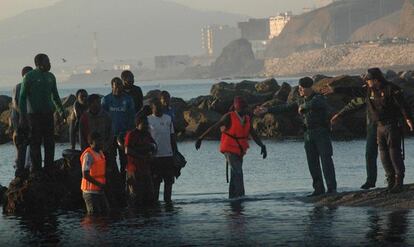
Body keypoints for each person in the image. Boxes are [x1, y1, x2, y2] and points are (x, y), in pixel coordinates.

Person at [325, 68, 413, 193]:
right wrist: (335, 90)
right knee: (383, 155)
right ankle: (390, 181)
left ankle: (399, 181)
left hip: (391, 125)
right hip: (378, 126)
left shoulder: (391, 88)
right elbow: (354, 92)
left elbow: (403, 105)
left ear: (376, 80)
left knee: (394, 153)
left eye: (368, 80)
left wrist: (408, 120)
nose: (367, 82)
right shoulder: (369, 90)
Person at [254, 77, 337, 197]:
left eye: (302, 88)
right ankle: (318, 189)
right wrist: (267, 110)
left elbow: (318, 103)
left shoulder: (318, 97)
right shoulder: (300, 100)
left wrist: (305, 106)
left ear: (309, 88)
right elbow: (285, 107)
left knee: (326, 161)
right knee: (312, 163)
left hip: (321, 133)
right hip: (308, 134)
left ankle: (332, 189)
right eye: (299, 88)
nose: (300, 90)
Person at [196, 96, 267, 199]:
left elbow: (253, 134)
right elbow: (215, 126)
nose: (245, 110)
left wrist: (262, 146)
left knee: (234, 175)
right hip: (229, 149)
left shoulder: (247, 119)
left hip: (240, 150)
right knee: (238, 173)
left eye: (245, 108)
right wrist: (200, 138)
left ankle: (233, 199)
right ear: (237, 108)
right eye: (242, 108)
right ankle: (241, 197)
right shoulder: (228, 117)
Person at [19, 54, 66, 172]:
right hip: (34, 115)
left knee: (49, 141)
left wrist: (62, 111)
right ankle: (36, 169)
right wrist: (22, 116)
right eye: (47, 61)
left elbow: (55, 96)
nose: (49, 64)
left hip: (48, 114)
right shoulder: (29, 77)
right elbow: (22, 97)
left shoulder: (51, 77)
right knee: (35, 142)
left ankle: (49, 167)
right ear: (39, 63)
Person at [329, 96, 378, 190]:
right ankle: (371, 180)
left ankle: (393, 179)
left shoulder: (388, 89)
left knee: (390, 153)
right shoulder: (368, 92)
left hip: (388, 124)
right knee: (370, 153)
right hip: (372, 125)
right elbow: (355, 103)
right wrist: (340, 114)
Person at [102, 77, 135, 185]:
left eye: (121, 85)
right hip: (110, 135)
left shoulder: (128, 99)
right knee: (111, 160)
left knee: (124, 161)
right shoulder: (106, 100)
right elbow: (102, 118)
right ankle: (114, 184)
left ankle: (124, 183)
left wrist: (129, 134)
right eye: (117, 85)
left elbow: (132, 118)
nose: (119, 87)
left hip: (124, 135)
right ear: (112, 86)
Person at [147, 97, 178, 203]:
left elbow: (172, 136)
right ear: (152, 109)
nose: (159, 110)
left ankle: (168, 202)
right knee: (156, 182)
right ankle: (155, 204)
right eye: (157, 108)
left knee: (169, 182)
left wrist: (175, 152)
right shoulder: (148, 120)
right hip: (155, 157)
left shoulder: (168, 118)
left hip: (168, 155)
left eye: (161, 107)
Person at [125, 112, 157, 208]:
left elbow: (154, 145)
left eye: (147, 123)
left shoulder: (147, 134)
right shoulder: (131, 134)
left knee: (149, 194)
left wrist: (152, 154)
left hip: (145, 169)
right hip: (134, 169)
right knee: (135, 196)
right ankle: (135, 217)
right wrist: (141, 156)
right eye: (144, 123)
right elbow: (127, 150)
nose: (146, 125)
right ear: (138, 123)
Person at [10, 66, 33, 178]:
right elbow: (15, 103)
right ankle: (19, 170)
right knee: (21, 146)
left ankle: (29, 168)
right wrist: (23, 116)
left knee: (32, 145)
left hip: (30, 121)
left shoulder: (33, 87)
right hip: (20, 121)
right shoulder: (18, 87)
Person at [81, 132, 109, 215]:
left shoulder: (100, 153)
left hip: (100, 191)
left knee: (105, 212)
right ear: (91, 142)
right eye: (98, 141)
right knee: (94, 216)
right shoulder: (88, 155)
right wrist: (99, 184)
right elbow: (85, 174)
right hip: (90, 192)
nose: (101, 142)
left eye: (101, 140)